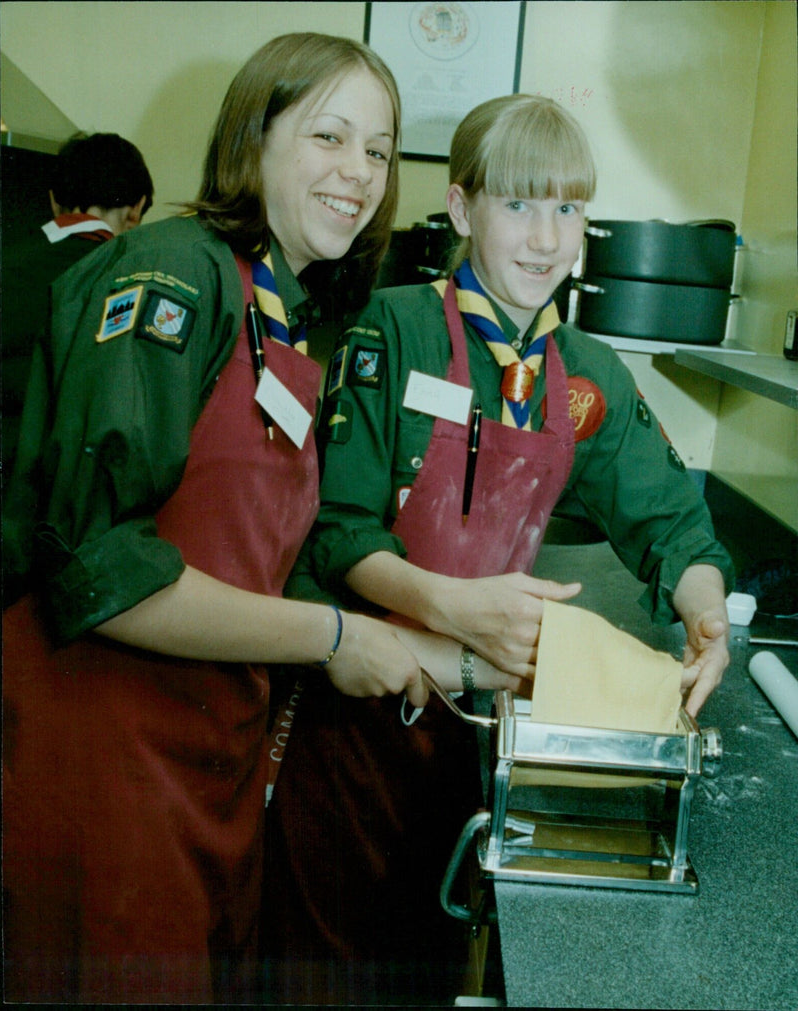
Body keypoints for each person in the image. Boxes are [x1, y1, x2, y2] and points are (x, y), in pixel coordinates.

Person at [1, 34, 526, 1005]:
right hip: (106, 763)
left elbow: (263, 566)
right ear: (254, 137)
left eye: (377, 149)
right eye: (328, 135)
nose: (358, 174)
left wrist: (473, 658)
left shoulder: (275, 311)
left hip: (212, 765)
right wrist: (336, 635)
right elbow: (100, 567)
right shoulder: (167, 274)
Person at [264, 94, 735, 1004]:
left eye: (568, 208)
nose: (548, 239)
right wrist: (456, 608)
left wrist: (705, 610)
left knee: (430, 970)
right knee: (328, 973)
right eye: (519, 205)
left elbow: (675, 525)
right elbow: (336, 530)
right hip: (357, 724)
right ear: (461, 209)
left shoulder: (586, 374)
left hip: (481, 736)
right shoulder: (391, 328)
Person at [1, 131, 154, 478]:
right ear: (136, 209)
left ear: (55, 201)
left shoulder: (7, 261)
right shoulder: (134, 284)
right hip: (64, 495)